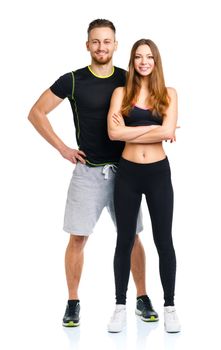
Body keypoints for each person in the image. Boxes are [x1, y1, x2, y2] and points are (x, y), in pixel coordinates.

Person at [28, 20, 159, 327]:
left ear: (115, 45)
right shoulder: (72, 80)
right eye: (96, 41)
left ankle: (141, 297)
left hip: (125, 170)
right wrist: (63, 148)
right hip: (87, 173)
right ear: (88, 45)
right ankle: (72, 302)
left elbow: (151, 110)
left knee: (132, 237)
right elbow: (36, 112)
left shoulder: (128, 79)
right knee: (77, 238)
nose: (102, 47)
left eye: (107, 41)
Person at [107, 39, 181, 333]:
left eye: (149, 57)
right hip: (128, 173)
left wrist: (131, 130)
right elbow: (113, 134)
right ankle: (119, 307)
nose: (143, 62)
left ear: (156, 61)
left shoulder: (169, 94)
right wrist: (155, 129)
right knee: (124, 239)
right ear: (132, 61)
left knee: (164, 240)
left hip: (158, 174)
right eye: (138, 57)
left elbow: (169, 130)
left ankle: (170, 307)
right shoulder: (121, 93)